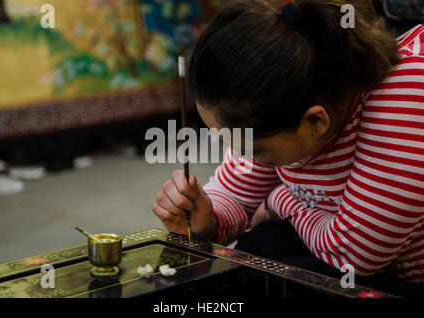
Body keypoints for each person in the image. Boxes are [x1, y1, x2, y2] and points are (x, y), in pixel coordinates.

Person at [152, 0, 424, 296]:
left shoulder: (407, 97)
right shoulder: (286, 87)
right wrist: (208, 220)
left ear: (316, 121)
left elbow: (353, 255)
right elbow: (235, 193)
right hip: (362, 259)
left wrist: (280, 201)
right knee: (261, 248)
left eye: (253, 149)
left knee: (287, 281)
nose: (242, 156)